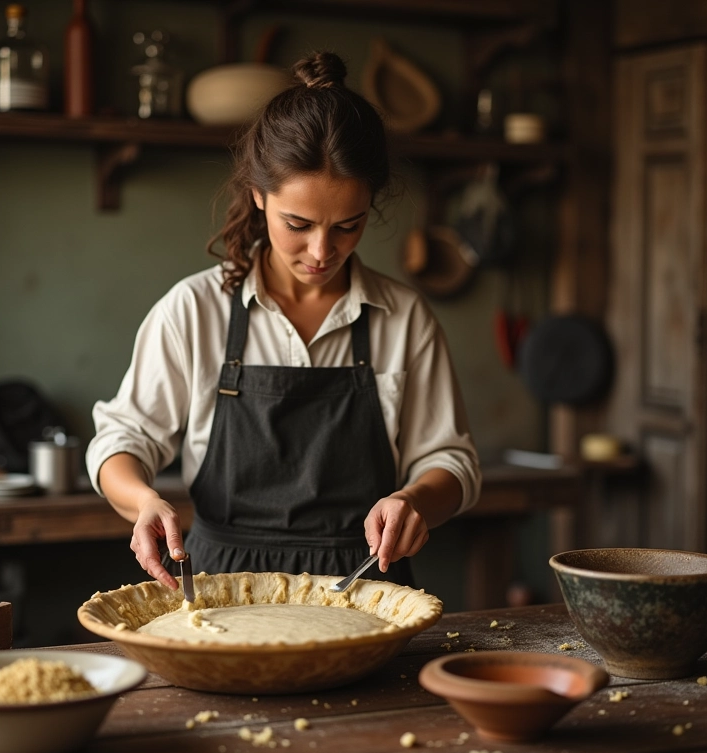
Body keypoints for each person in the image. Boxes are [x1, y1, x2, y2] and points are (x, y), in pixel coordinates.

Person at [86, 51, 481, 592]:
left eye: (349, 225)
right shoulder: (194, 310)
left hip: (364, 587)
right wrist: (143, 499)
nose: (322, 251)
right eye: (298, 224)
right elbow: (122, 439)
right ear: (257, 194)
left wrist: (415, 500)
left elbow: (450, 459)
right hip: (221, 588)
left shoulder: (403, 318)